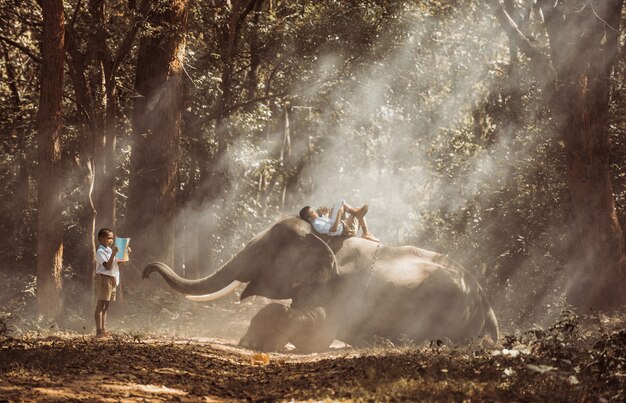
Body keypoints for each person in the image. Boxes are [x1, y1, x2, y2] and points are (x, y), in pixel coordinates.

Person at [299, 200, 379, 242]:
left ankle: (357, 215)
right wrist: (339, 215)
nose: (315, 211)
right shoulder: (317, 224)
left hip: (342, 224)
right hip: (345, 229)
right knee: (355, 209)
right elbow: (333, 229)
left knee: (340, 203)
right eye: (313, 212)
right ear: (310, 219)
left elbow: (328, 223)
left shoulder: (318, 220)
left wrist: (327, 214)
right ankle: (365, 232)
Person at [94, 227, 120, 338]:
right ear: (101, 239)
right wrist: (114, 254)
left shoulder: (109, 250)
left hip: (112, 279)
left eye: (112, 238)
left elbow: (115, 265)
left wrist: (125, 254)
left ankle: (103, 330)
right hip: (104, 279)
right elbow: (107, 266)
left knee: (106, 307)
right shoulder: (100, 251)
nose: (111, 240)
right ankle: (98, 331)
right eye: (109, 238)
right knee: (100, 306)